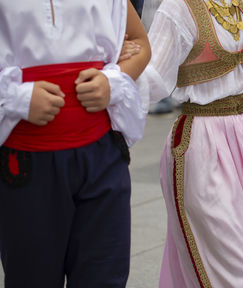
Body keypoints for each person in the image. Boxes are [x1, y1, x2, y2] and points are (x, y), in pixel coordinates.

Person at [137, 0, 243, 286]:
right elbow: (152, 76)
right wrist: (115, 83)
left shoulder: (238, 1)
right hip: (202, 140)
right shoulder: (177, 8)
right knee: (240, 270)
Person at [0, 1, 150, 287]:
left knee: (104, 276)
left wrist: (111, 81)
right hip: (26, 163)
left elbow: (141, 42)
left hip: (102, 156)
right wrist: (17, 98)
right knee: (31, 278)